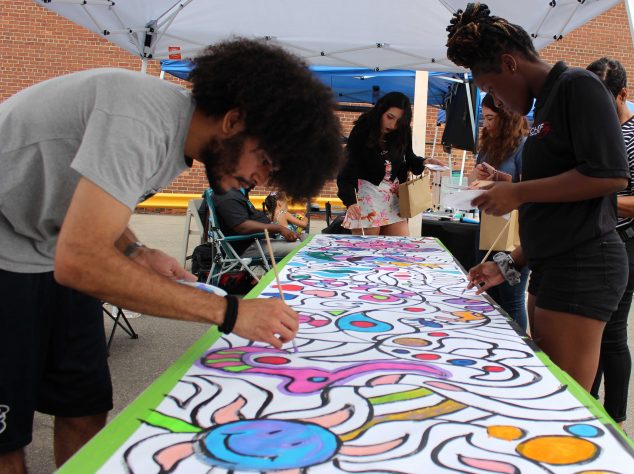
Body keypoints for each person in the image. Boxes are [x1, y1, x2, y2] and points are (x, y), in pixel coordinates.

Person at [0, 38, 342, 471]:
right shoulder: (140, 121)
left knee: (84, 406)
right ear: (233, 121)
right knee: (6, 439)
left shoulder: (180, 139)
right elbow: (81, 260)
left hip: (48, 245)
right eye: (267, 161)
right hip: (8, 250)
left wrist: (135, 249)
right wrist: (231, 311)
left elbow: (80, 198)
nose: (258, 179)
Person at [447, 4, 630, 391]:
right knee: (545, 384)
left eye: (493, 89)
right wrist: (507, 264)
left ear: (510, 63)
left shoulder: (578, 86)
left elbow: (611, 174)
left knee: (565, 398)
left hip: (585, 265)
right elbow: (553, 212)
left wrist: (518, 190)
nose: (499, 102)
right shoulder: (546, 103)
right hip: (554, 263)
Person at [586, 57, 634, 427]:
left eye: (601, 99)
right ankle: (588, 405)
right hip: (597, 238)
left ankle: (615, 419)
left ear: (623, 95)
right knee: (592, 329)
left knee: (611, 332)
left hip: (626, 240)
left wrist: (591, 197)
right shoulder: (602, 129)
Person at [336, 92, 442, 236]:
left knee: (400, 248)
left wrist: (425, 161)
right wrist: (350, 200)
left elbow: (409, 157)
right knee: (368, 252)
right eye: (389, 117)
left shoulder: (403, 131)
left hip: (393, 197)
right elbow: (348, 166)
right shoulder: (363, 129)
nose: (392, 125)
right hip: (366, 195)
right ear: (381, 110)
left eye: (398, 121)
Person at [469, 93, 530, 331]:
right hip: (487, 229)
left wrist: (495, 183)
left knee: (512, 299)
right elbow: (473, 179)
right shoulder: (488, 145)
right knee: (487, 293)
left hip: (512, 234)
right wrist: (477, 177)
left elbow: (528, 191)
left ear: (507, 118)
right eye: (484, 118)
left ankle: (519, 349)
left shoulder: (524, 147)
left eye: (491, 118)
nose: (487, 124)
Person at [200, 186, 302, 259]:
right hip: (247, 247)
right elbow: (242, 226)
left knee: (306, 239)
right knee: (303, 248)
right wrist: (278, 229)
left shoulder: (235, 193)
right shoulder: (227, 196)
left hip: (255, 240)